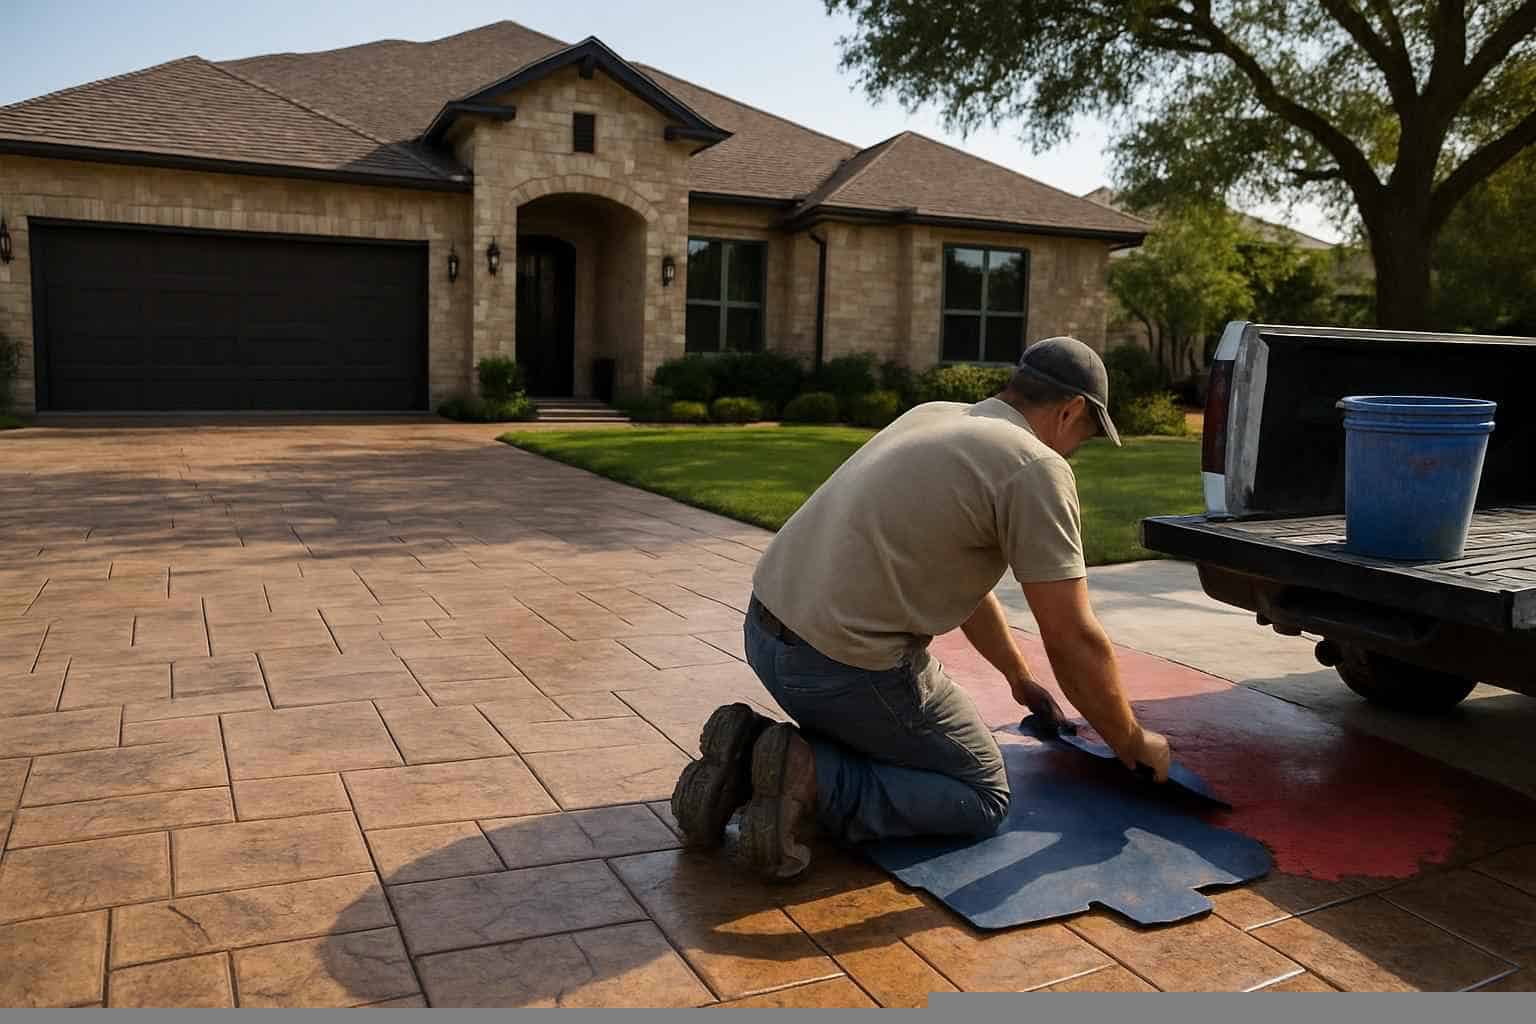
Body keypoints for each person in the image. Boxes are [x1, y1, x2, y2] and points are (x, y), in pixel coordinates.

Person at [670, 335, 1173, 879]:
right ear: (1070, 410)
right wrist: (1130, 738)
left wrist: (1018, 677)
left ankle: (748, 756)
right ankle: (807, 772)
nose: (1078, 448)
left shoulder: (934, 416)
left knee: (907, 741)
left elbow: (962, 585)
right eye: (1087, 434)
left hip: (765, 635)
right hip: (838, 669)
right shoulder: (1035, 467)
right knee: (979, 793)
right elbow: (1072, 635)